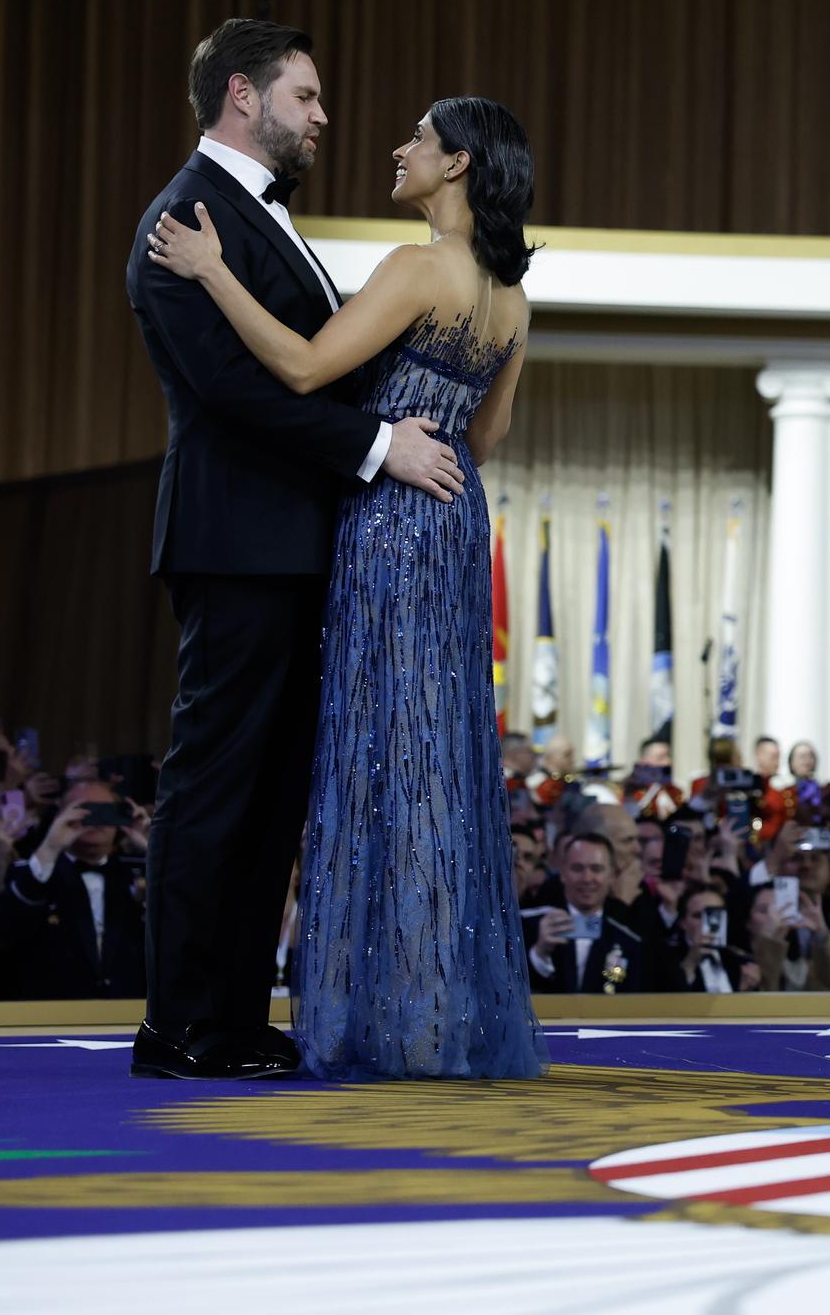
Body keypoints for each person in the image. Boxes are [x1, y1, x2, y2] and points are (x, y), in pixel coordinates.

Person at [146, 80, 547, 1081]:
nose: (397, 147)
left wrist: (212, 268)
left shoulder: (417, 267)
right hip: (454, 523)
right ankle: (436, 1012)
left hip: (385, 531)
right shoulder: (512, 295)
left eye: (417, 137)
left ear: (457, 163)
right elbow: (487, 438)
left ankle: (372, 1014)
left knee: (376, 764)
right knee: (435, 764)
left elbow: (298, 366)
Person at [0, 781, 146, 1001]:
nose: (95, 819)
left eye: (105, 811)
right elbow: (9, 927)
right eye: (84, 810)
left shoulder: (137, 872)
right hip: (52, 1011)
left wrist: (155, 849)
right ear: (61, 816)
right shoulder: (34, 871)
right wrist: (50, 846)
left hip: (128, 1011)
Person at [526, 834, 651, 994]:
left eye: (596, 869)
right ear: (562, 873)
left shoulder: (629, 942)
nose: (587, 878)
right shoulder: (526, 926)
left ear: (612, 876)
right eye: (577, 868)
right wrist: (540, 953)